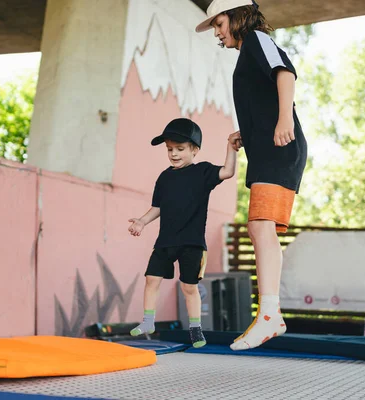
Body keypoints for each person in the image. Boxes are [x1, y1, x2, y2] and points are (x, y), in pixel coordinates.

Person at [196, 0, 307, 350]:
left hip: (280, 147)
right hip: (266, 148)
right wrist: (250, 133)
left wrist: (284, 118)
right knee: (261, 227)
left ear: (238, 16)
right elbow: (262, 97)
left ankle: (270, 314)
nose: (217, 31)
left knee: (260, 226)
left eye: (220, 23)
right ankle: (270, 312)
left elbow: (284, 73)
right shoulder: (248, 54)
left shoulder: (257, 40)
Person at [128, 118, 239, 348]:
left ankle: (196, 329)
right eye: (170, 149)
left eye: (180, 149)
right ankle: (148, 321)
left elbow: (228, 172)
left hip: (192, 243)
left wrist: (230, 146)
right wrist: (142, 221)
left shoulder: (203, 172)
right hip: (166, 241)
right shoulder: (164, 177)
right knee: (151, 279)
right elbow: (157, 207)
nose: (174, 154)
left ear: (194, 150)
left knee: (189, 287)